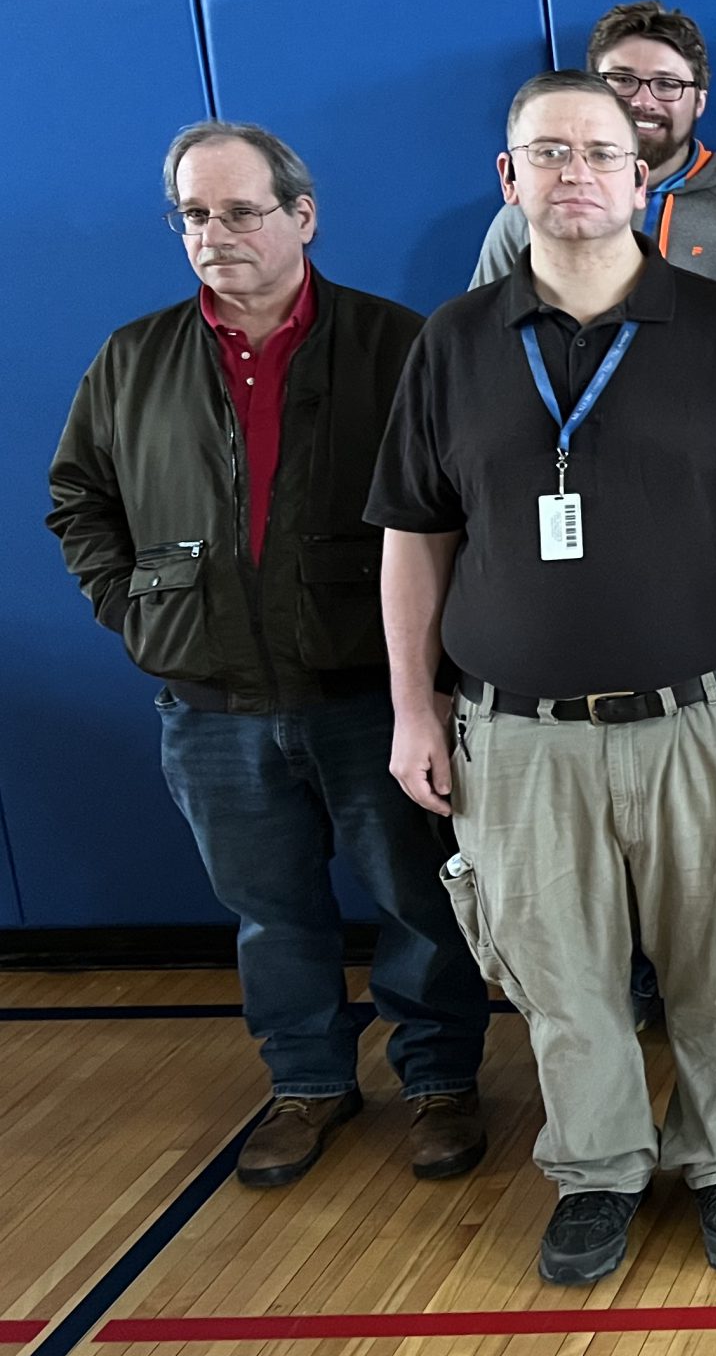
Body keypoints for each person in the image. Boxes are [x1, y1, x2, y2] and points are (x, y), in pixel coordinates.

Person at [372, 71, 716, 1287]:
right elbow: (415, 538)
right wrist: (414, 706)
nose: (574, 171)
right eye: (547, 151)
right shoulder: (455, 344)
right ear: (509, 178)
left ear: (643, 176)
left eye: (599, 151)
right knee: (560, 975)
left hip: (709, 718)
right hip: (517, 737)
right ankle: (596, 1171)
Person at [47, 121, 490, 1191]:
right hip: (211, 703)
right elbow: (80, 502)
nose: (215, 234)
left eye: (240, 211)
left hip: (369, 695)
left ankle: (438, 1083)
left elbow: (466, 511)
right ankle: (307, 1083)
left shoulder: (399, 347)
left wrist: (433, 675)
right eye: (194, 214)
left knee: (417, 899)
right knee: (269, 911)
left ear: (303, 215)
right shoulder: (134, 359)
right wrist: (139, 613)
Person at [472, 0, 716, 316]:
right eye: (621, 79)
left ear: (699, 102)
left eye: (666, 84)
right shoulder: (529, 213)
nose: (642, 101)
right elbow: (482, 344)